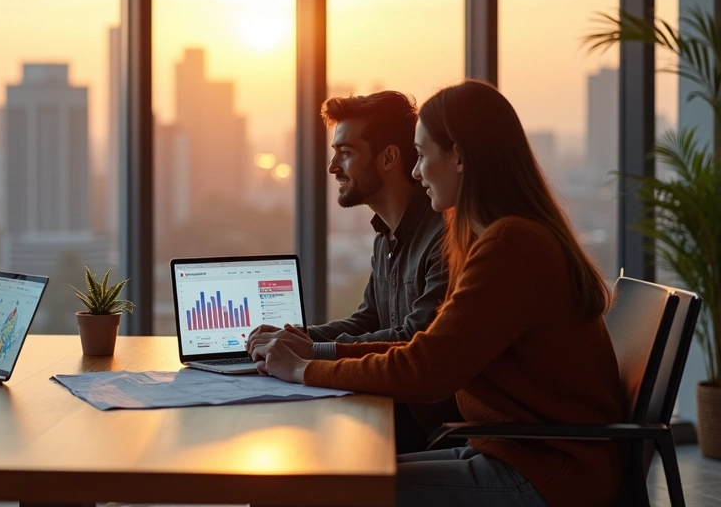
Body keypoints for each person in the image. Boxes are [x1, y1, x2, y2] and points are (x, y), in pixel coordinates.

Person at [250, 80, 625, 506]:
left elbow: (424, 368)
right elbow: (418, 349)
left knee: (315, 491)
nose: (415, 171)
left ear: (460, 157)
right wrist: (309, 352)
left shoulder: (509, 247)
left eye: (423, 155)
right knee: (318, 480)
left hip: (545, 473)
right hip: (510, 452)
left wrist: (304, 367)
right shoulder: (502, 238)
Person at [248, 91, 458, 454]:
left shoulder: (444, 236)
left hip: (424, 425)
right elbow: (369, 319)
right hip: (387, 406)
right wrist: (293, 337)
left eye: (345, 152)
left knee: (295, 458)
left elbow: (414, 339)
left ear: (389, 157)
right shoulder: (385, 237)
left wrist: (311, 352)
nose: (332, 166)